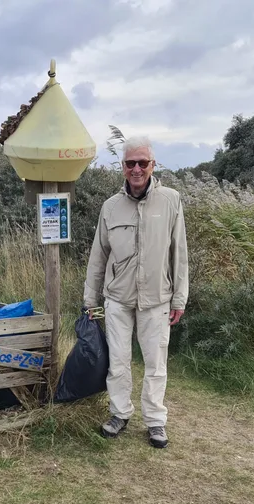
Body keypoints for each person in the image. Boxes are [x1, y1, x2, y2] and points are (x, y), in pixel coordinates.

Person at [83, 136, 189, 448]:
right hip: (117, 298)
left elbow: (179, 253)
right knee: (118, 361)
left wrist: (179, 298)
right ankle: (119, 413)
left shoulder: (170, 200)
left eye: (143, 162)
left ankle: (156, 421)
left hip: (157, 299)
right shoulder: (111, 207)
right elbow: (98, 255)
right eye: (131, 163)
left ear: (153, 165)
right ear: (123, 168)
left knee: (156, 364)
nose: (137, 168)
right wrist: (91, 299)